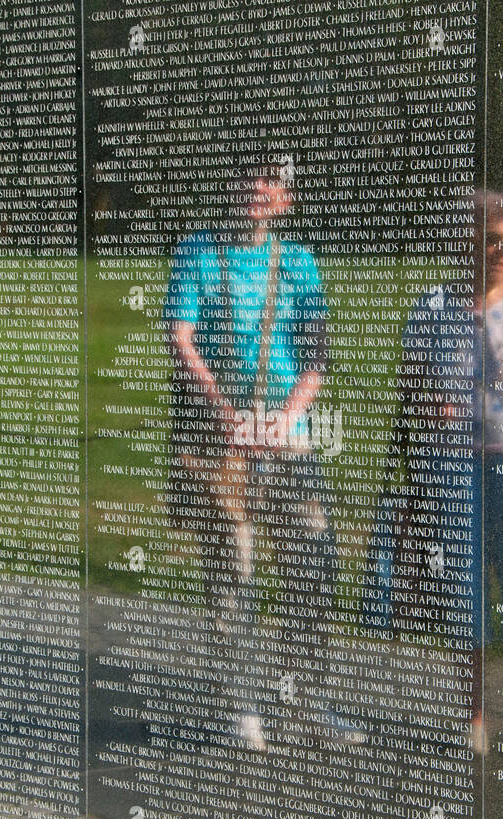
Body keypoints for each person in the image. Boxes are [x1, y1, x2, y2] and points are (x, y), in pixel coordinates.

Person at [165, 165, 344, 752]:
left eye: (272, 181)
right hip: (219, 438)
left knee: (314, 566)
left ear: (286, 199)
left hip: (287, 435)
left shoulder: (299, 262)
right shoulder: (197, 250)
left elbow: (316, 353)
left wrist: (285, 417)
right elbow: (182, 337)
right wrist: (224, 409)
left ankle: (305, 696)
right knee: (232, 573)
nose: (259, 189)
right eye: (250, 177)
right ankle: (243, 706)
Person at [396, 190, 503, 759]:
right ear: (464, 240)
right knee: (463, 590)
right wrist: (430, 410)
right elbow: (411, 389)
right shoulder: (431, 306)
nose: (500, 249)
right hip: (456, 466)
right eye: (490, 237)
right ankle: (473, 715)